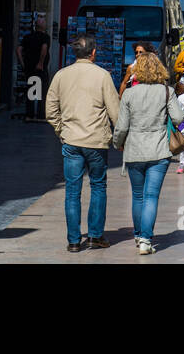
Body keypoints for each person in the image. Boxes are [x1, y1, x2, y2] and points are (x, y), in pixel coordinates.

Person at [46, 34, 121, 252]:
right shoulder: (102, 76)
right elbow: (115, 112)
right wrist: (120, 137)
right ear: (94, 52)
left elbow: (51, 111)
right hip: (96, 140)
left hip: (71, 140)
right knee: (98, 186)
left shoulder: (61, 75)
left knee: (72, 191)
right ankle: (95, 235)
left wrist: (62, 130)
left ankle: (73, 240)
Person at [112, 52, 184, 255]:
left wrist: (117, 143)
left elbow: (122, 125)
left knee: (137, 195)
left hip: (135, 149)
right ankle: (145, 239)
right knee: (151, 195)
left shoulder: (128, 93)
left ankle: (137, 234)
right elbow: (179, 117)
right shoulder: (166, 91)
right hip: (159, 149)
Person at [18, 16, 50, 122]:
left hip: (29, 68)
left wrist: (23, 64)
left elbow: (18, 50)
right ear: (43, 26)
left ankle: (30, 115)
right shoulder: (45, 37)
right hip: (40, 69)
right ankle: (41, 115)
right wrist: (40, 63)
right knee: (42, 91)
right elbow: (44, 48)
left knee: (31, 92)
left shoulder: (28, 37)